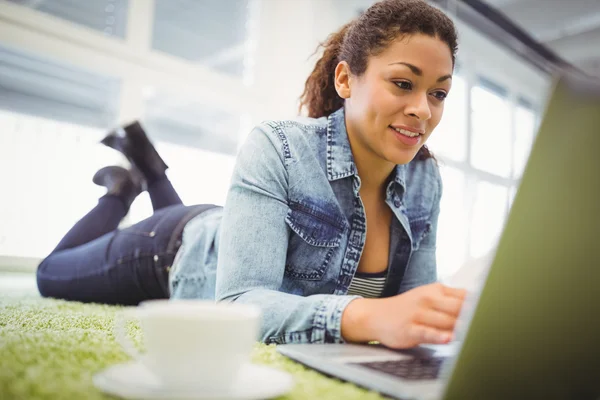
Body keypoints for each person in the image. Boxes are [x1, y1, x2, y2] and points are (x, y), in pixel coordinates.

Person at [37, 0, 467, 350]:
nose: (423, 110)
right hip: (170, 252)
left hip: (230, 226)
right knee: (50, 275)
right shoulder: (278, 145)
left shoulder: (425, 180)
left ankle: (149, 171)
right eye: (403, 84)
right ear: (344, 80)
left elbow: (413, 303)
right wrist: (361, 315)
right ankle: (120, 192)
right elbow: (239, 300)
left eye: (439, 93)